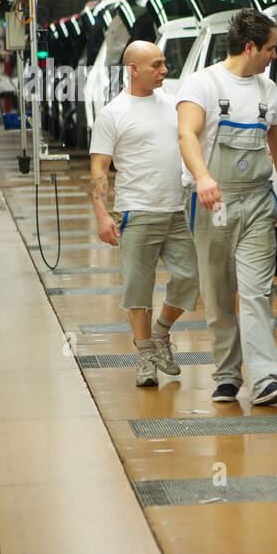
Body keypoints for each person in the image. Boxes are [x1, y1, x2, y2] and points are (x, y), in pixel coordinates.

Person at [177, 9, 277, 406]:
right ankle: (228, 376)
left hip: (256, 202)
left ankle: (265, 379)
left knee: (257, 293)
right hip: (211, 202)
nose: (273, 55)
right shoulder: (202, 84)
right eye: (269, 48)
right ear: (249, 47)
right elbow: (186, 134)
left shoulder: (269, 91)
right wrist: (203, 178)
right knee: (218, 294)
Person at [89, 40, 200, 387]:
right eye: (156, 65)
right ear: (133, 69)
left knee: (190, 279)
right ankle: (145, 356)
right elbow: (99, 169)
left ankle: (161, 333)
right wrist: (102, 215)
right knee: (138, 290)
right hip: (136, 213)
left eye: (164, 63)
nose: (164, 70)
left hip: (176, 209)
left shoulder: (175, 105)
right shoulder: (113, 113)